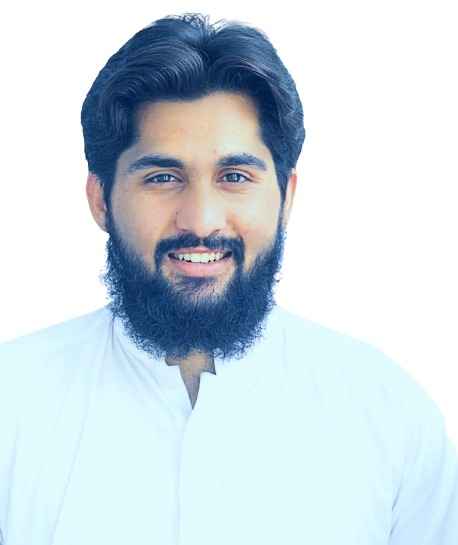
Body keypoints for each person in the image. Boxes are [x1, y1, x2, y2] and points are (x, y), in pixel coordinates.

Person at [0, 12, 457, 545]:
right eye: (163, 177)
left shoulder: (389, 415)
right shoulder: (13, 403)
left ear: (285, 197)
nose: (201, 220)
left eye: (235, 177)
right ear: (100, 199)